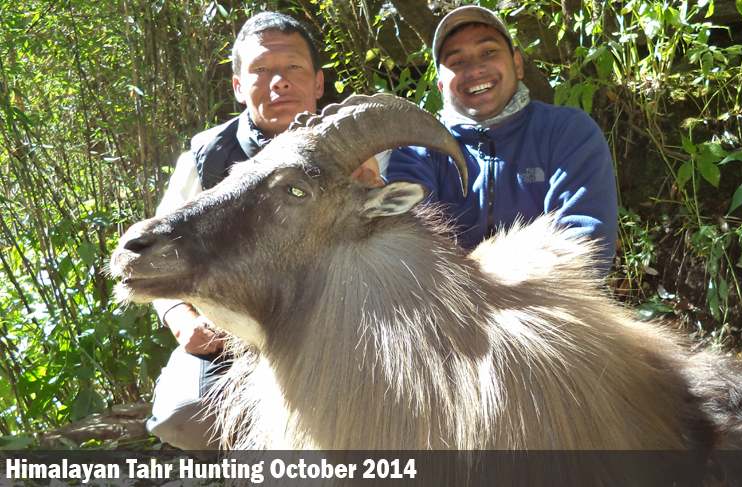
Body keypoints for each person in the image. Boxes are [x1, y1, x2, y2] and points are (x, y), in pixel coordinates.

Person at [147, 11, 382, 451]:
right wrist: (184, 323)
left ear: (318, 83)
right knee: (184, 418)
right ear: (238, 86)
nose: (280, 82)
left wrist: (369, 188)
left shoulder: (367, 145)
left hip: (344, 325)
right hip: (236, 337)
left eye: (294, 67)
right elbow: (154, 255)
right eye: (261, 70)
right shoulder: (205, 158)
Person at [385, 5, 618, 271]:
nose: (475, 69)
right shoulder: (418, 150)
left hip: (548, 308)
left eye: (488, 52)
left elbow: (585, 252)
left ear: (517, 65)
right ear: (441, 86)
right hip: (446, 311)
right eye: (457, 62)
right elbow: (409, 253)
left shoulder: (569, 132)